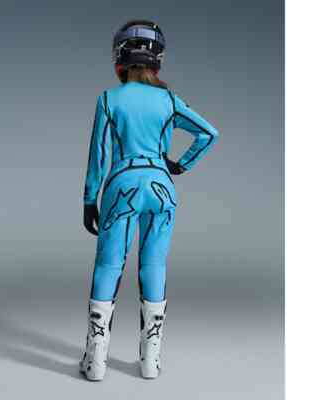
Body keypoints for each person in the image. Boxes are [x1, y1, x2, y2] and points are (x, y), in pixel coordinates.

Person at [79, 20, 219, 381]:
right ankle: (150, 362)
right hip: (161, 187)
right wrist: (180, 165)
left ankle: (95, 362)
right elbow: (208, 133)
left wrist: (90, 199)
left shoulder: (109, 99)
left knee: (109, 265)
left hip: (121, 187)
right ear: (158, 60)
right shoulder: (169, 100)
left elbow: (98, 156)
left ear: (119, 58)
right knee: (153, 266)